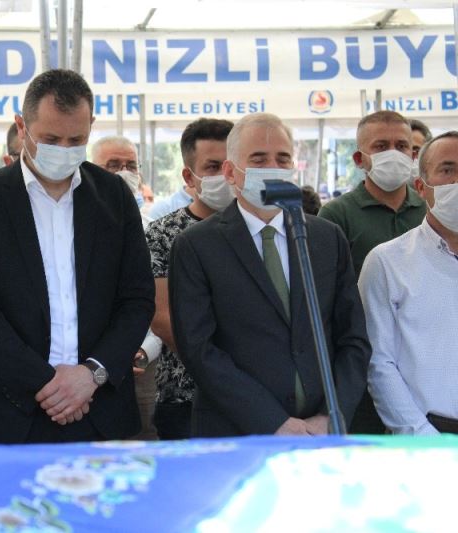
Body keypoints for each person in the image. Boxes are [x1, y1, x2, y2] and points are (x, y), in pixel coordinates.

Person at [0, 69, 154, 444]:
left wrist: (92, 374)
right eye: (51, 139)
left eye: (76, 140)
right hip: (2, 411)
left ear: (91, 126)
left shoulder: (114, 197)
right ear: (22, 127)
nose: (64, 149)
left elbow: (137, 298)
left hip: (98, 409)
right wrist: (48, 384)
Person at [169, 113, 371, 437]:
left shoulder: (326, 238)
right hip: (237, 432)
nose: (273, 168)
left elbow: (353, 338)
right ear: (230, 172)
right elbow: (199, 349)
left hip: (322, 430)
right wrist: (272, 422)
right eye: (259, 159)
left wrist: (331, 415)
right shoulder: (196, 245)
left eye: (283, 159)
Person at [318, 110, 426, 434]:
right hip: (361, 365)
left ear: (414, 155)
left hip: (423, 365)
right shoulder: (336, 215)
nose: (393, 153)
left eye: (402, 146)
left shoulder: (431, 210)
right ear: (359, 158)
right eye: (381, 146)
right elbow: (326, 297)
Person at [360, 131, 458, 435]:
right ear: (421, 187)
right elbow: (379, 363)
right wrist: (422, 437)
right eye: (448, 169)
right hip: (428, 437)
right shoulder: (387, 262)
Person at [146, 117, 233, 440]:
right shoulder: (162, 233)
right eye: (212, 167)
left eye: (230, 165)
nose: (224, 175)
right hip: (186, 397)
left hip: (262, 396)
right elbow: (162, 318)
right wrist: (226, 373)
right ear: (188, 176)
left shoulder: (260, 230)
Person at [90, 135, 160, 440]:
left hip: (142, 363)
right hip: (86, 365)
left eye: (131, 165)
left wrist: (143, 350)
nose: (124, 172)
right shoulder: (79, 225)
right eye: (113, 165)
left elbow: (156, 302)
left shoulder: (152, 227)